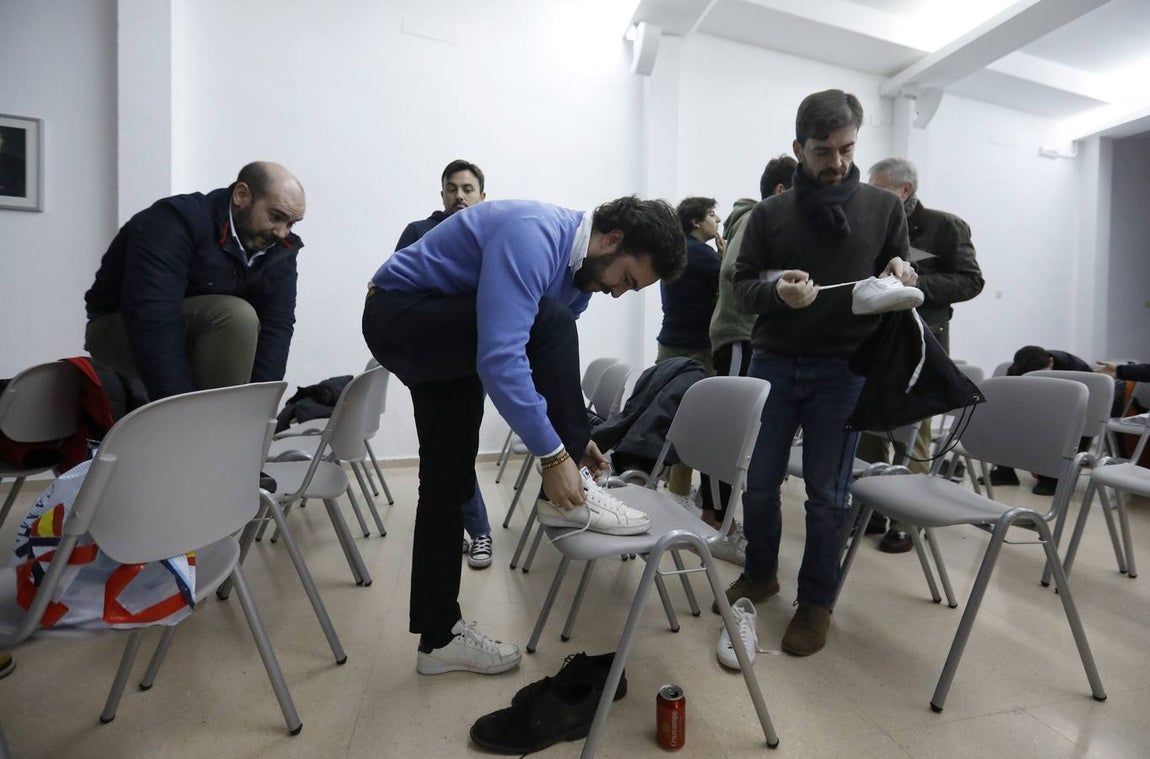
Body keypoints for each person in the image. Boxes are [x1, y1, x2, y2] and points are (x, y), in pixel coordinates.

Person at [363, 196, 685, 676]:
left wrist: (575, 437)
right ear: (612, 241)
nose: (619, 293)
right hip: (401, 315)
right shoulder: (533, 234)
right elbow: (501, 357)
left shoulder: (578, 280)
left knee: (446, 479)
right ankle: (571, 491)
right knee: (549, 319)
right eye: (628, 280)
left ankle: (439, 638)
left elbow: (544, 366)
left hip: (446, 328)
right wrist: (558, 456)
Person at [730, 89, 914, 656]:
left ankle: (816, 603)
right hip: (775, 364)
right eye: (821, 151)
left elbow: (901, 278)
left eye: (846, 148)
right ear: (798, 149)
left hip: (845, 370)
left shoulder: (884, 209)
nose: (835, 162)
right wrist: (779, 293)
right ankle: (762, 573)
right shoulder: (770, 214)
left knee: (828, 496)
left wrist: (900, 273)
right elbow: (740, 287)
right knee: (758, 483)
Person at [84, 162, 306, 401]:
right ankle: (209, 429)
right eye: (276, 217)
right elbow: (153, 317)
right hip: (120, 326)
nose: (282, 232)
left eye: (291, 223)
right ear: (242, 195)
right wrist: (180, 411)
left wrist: (258, 409)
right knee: (236, 316)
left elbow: (277, 326)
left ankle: (227, 428)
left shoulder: (279, 247)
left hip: (204, 331)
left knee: (240, 324)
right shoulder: (172, 221)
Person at [861, 157, 985, 552]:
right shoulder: (871, 224)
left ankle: (906, 520)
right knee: (869, 428)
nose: (868, 194)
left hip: (922, 341)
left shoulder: (945, 226)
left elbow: (971, 280)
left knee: (913, 436)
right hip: (876, 340)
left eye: (877, 188)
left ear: (905, 190)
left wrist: (914, 286)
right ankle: (872, 510)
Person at [395, 160, 495, 570]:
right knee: (436, 451)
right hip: (427, 362)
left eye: (468, 188)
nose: (460, 195)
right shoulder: (418, 233)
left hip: (471, 361)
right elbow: (397, 288)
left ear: (482, 196)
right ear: (441, 195)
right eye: (452, 188)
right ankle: (455, 528)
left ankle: (479, 530)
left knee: (458, 450)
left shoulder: (491, 237)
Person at [703, 155, 796, 566]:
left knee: (734, 434)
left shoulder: (747, 216)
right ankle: (718, 523)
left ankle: (714, 515)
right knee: (732, 436)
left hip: (739, 335)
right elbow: (734, 273)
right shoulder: (759, 215)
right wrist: (783, 286)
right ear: (780, 191)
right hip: (741, 334)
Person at [657, 197, 722, 518]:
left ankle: (675, 487)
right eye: (712, 215)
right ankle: (680, 494)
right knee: (697, 426)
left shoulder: (678, 251)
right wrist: (726, 257)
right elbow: (731, 288)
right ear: (696, 221)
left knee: (677, 420)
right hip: (696, 348)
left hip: (670, 344)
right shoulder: (704, 256)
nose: (718, 220)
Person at [991, 345, 1094, 494]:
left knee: (1060, 427)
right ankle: (1005, 471)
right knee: (1003, 417)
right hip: (1039, 410)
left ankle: (1054, 476)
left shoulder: (1077, 369)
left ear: (1051, 362)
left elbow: (1091, 409)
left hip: (1077, 415)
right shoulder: (1017, 371)